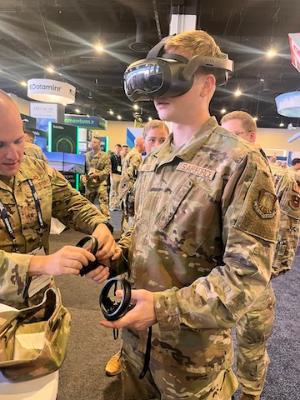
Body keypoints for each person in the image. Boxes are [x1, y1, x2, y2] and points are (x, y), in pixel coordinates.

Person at [100, 30, 280, 400]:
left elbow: (247, 279)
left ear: (206, 84)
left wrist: (163, 308)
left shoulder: (241, 163)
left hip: (191, 366)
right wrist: (114, 255)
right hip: (136, 349)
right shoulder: (153, 159)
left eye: (173, 73)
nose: (158, 89)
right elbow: (142, 233)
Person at [0, 90, 118, 308]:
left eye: (18, 141)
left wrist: (99, 225)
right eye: (0, 145)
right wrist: (42, 264)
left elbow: (71, 202)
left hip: (40, 302)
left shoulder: (34, 166)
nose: (13, 154)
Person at [221, 110, 300, 400]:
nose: (225, 142)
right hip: (217, 276)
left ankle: (250, 393)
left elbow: (289, 231)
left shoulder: (279, 177)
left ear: (251, 137)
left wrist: (267, 274)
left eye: (233, 135)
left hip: (254, 278)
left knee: (251, 341)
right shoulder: (217, 171)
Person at [104, 120, 169, 377]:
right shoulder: (141, 168)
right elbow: (130, 202)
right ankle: (125, 352)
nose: (156, 145)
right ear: (143, 142)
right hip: (136, 239)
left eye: (162, 140)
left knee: (159, 308)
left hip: (165, 253)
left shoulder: (176, 171)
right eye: (152, 140)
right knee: (130, 298)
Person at [118, 136, 144, 230]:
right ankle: (127, 238)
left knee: (126, 214)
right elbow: (131, 173)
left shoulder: (130, 153)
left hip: (125, 188)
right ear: (141, 144)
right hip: (130, 189)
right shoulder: (136, 155)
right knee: (130, 216)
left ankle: (124, 236)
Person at [83, 136, 111, 219]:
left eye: (95, 142)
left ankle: (105, 220)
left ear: (99, 144)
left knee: (103, 202)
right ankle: (89, 220)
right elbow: (82, 169)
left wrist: (98, 174)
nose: (92, 143)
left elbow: (107, 170)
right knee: (88, 204)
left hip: (100, 182)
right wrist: (83, 177)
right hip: (89, 184)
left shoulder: (105, 156)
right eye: (91, 142)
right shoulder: (86, 155)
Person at [109, 144, 122, 210]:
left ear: (120, 149)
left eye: (119, 148)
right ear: (115, 149)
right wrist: (111, 175)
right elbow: (109, 166)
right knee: (113, 191)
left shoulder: (121, 157)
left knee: (118, 191)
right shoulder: (112, 157)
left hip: (120, 175)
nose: (118, 150)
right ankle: (111, 205)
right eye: (116, 148)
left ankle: (116, 204)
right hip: (113, 175)